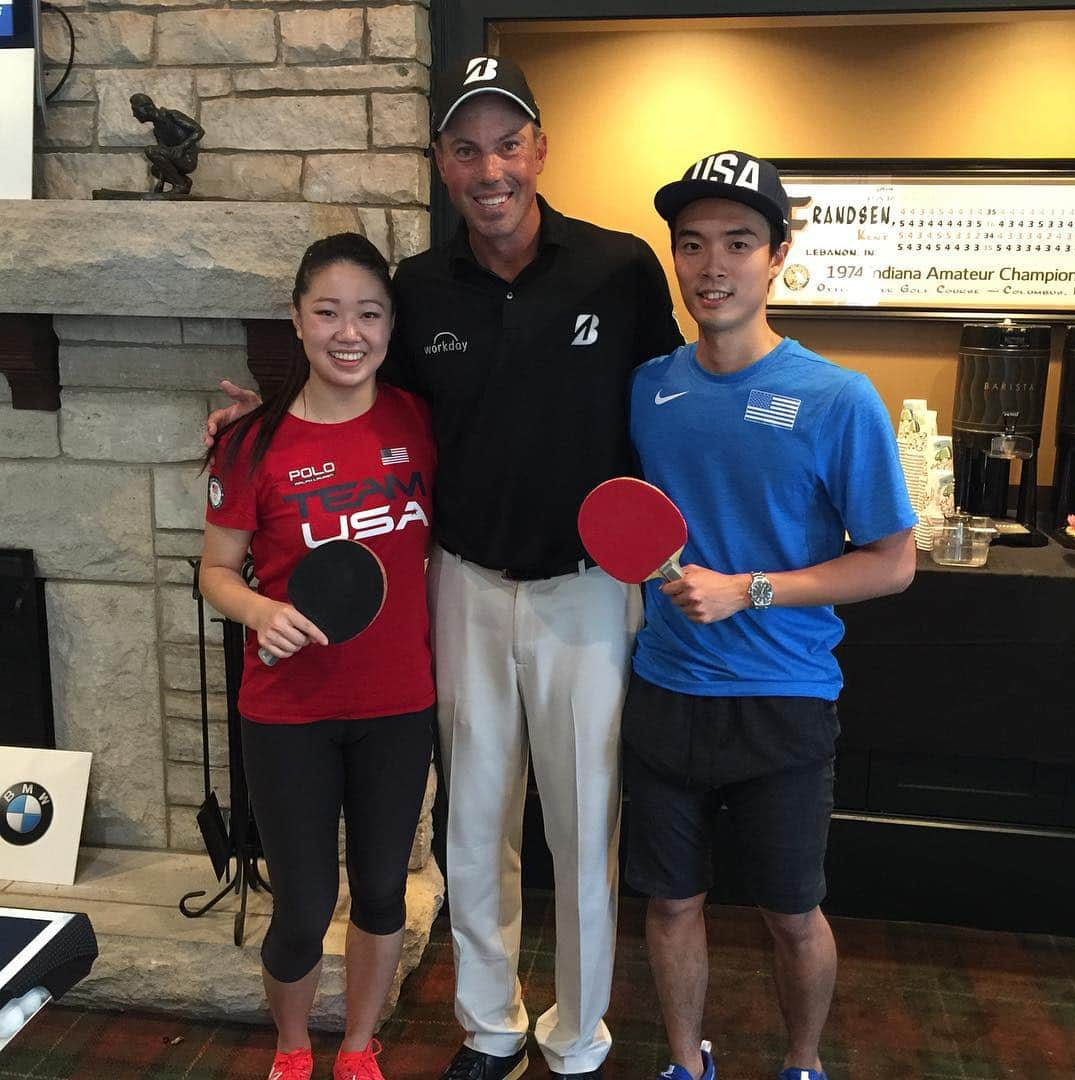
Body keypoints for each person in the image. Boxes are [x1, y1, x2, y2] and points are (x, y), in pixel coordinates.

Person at [206, 56, 682, 1080]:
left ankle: (579, 1030)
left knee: (585, 818)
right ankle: (491, 1021)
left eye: (507, 143)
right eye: (466, 148)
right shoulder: (416, 288)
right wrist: (260, 424)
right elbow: (358, 390)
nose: (489, 166)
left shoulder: (620, 268)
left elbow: (669, 402)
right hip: (460, 583)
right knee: (474, 817)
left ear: (541, 152)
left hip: (590, 590)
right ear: (441, 164)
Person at [622, 151, 917, 1080]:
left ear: (778, 256)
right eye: (693, 244)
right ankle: (684, 1064)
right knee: (671, 904)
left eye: (739, 243)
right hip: (666, 692)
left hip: (783, 701)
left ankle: (801, 1063)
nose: (713, 265)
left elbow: (893, 563)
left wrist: (747, 588)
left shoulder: (839, 399)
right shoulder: (648, 389)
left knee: (791, 913)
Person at [198, 233, 436, 1080]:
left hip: (400, 704)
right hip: (287, 711)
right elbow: (215, 572)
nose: (349, 331)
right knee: (302, 907)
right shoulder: (250, 444)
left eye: (368, 313)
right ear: (296, 322)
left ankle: (360, 1049)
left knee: (380, 891)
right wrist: (261, 609)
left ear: (389, 325)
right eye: (328, 311)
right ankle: (294, 1051)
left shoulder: (418, 420)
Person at [129, 93, 203, 194]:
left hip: (187, 159)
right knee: (155, 169)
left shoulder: (172, 115)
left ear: (146, 108)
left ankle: (180, 185)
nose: (134, 114)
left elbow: (199, 131)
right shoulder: (157, 131)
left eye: (135, 110)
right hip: (176, 158)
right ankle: (184, 181)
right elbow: (163, 156)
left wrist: (182, 148)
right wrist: (161, 182)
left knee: (150, 150)